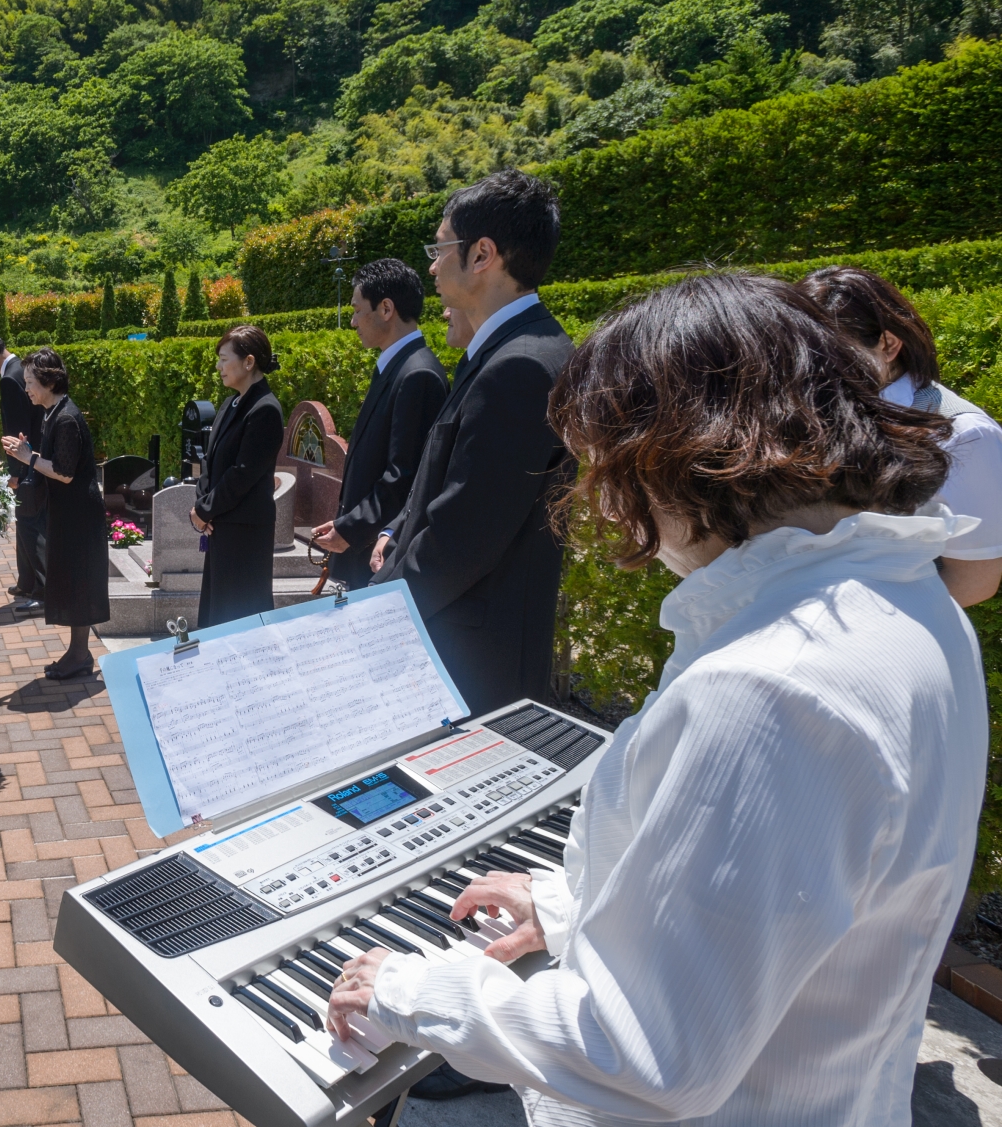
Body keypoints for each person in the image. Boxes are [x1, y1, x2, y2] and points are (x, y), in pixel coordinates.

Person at [326, 275, 980, 1125]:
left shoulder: (767, 687)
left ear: (687, 452)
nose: (606, 501)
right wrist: (569, 908)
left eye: (611, 464)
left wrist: (411, 989)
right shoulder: (910, 599)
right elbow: (783, 908)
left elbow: (646, 1051)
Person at [370, 168, 574, 718]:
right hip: (474, 640)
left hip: (475, 659)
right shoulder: (514, 350)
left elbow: (460, 539)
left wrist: (371, 614)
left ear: (482, 254)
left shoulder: (521, 366)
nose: (432, 265)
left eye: (440, 249)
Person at [800, 265, 1002, 606]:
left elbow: (974, 579)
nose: (810, 370)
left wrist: (866, 625)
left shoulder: (963, 434)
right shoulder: (818, 413)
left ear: (888, 344)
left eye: (832, 356)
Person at [310, 259, 448, 594]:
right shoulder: (396, 366)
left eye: (357, 310)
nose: (353, 321)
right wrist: (346, 522)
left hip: (381, 555)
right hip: (366, 547)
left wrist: (352, 528)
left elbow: (404, 476)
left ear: (386, 308)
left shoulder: (418, 374)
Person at [0, 349, 108, 678]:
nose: (26, 388)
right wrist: (30, 453)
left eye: (31, 382)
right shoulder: (52, 411)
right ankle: (78, 653)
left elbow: (64, 472)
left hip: (79, 513)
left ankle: (80, 656)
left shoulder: (65, 417)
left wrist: (28, 456)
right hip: (67, 510)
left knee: (78, 580)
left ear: (48, 382)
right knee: (72, 579)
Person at [191, 326, 285, 627]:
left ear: (248, 362)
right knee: (218, 612)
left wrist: (205, 510)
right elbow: (211, 461)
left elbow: (243, 474)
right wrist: (202, 504)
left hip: (245, 532)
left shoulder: (265, 409)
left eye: (223, 358)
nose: (218, 367)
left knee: (238, 616)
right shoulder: (231, 403)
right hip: (221, 526)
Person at [0, 330, 44, 610]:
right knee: (25, 522)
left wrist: (16, 472)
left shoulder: (9, 378)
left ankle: (41, 590)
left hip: (28, 465)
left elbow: (17, 431)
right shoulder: (21, 369)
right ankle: (27, 582)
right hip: (35, 460)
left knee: (30, 524)